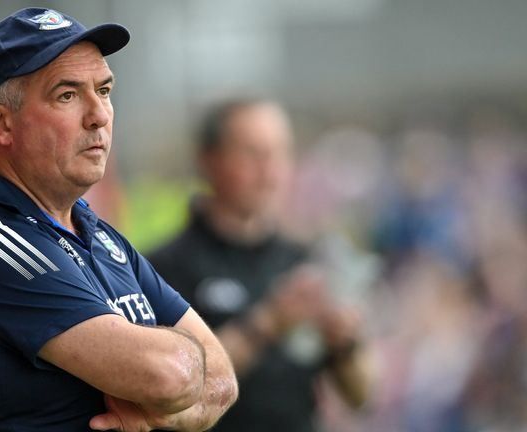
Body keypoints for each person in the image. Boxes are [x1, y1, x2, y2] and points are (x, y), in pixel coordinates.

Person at [0, 8, 237, 432]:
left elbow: (222, 381)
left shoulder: (98, 234)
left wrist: (155, 414)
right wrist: (168, 376)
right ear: (0, 123)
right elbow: (171, 374)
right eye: (67, 95)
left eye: (104, 90)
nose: (98, 114)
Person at [149, 99, 368, 431]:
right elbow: (170, 386)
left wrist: (345, 344)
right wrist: (269, 323)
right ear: (209, 160)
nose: (270, 171)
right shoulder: (162, 268)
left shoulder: (304, 260)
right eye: (252, 153)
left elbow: (362, 395)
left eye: (280, 153)